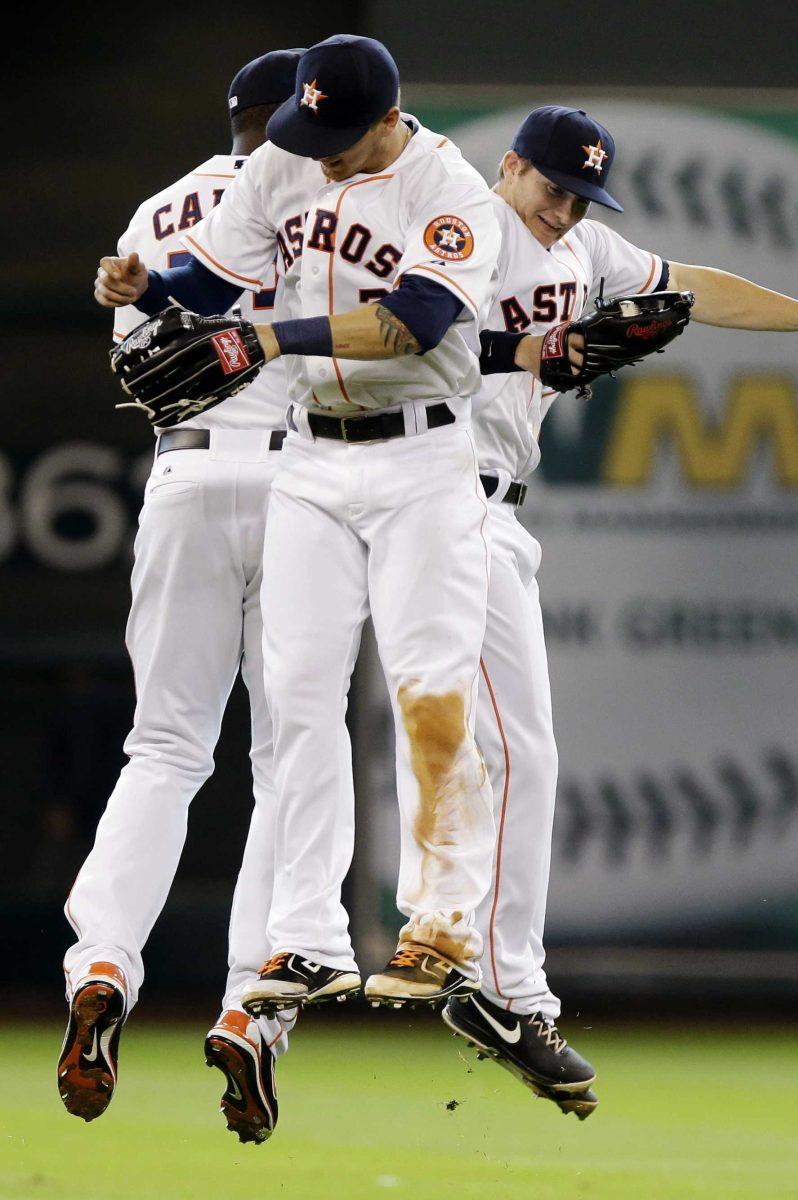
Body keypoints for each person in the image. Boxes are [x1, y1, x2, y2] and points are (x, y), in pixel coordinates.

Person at [436, 104, 798, 1119]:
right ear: (507, 166)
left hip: (479, 512)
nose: (564, 209)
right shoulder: (453, 232)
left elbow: (690, 286)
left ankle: (463, 968)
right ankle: (495, 987)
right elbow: (400, 337)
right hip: (433, 504)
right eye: (550, 186)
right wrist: (520, 355)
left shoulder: (585, 250)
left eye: (580, 194)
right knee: (512, 753)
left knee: (482, 751)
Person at [93, 36, 503, 1032]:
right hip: (309, 458)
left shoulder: (449, 192)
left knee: (427, 690)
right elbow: (208, 279)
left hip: (419, 459)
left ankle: (439, 932)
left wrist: (270, 337)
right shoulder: (285, 158)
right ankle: (307, 936)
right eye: (304, 129)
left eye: (335, 136)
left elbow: (408, 321)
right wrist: (141, 286)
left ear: (385, 120)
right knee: (301, 702)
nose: (312, 153)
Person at [58, 50, 303, 1141]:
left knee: (162, 750)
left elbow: (138, 368)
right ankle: (252, 1007)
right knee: (291, 761)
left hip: (188, 469)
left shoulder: (164, 207)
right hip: (311, 484)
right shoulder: (342, 203)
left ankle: (102, 962)